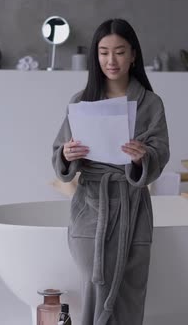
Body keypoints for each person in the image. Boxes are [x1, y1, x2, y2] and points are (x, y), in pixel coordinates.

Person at [51, 18, 170, 325]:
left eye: (119, 52)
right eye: (104, 52)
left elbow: (161, 154)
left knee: (130, 291)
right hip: (91, 208)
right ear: (96, 55)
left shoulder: (150, 104)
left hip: (133, 209)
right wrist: (67, 155)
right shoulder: (80, 102)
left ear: (133, 55)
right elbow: (59, 155)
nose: (111, 60)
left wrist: (143, 157)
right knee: (94, 284)